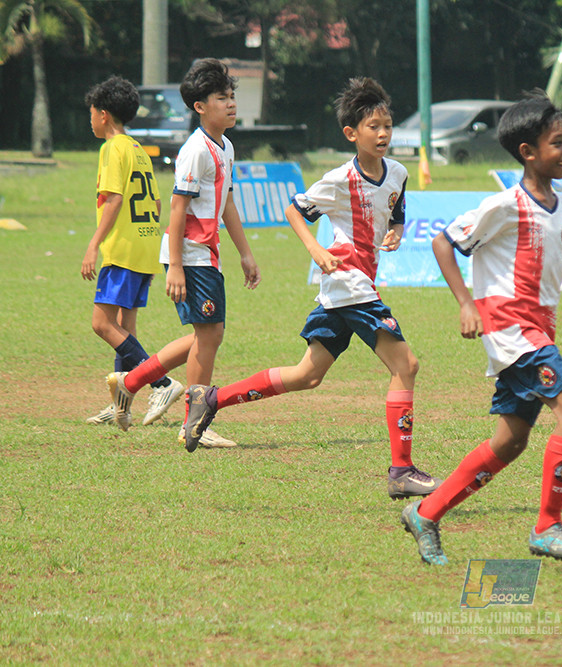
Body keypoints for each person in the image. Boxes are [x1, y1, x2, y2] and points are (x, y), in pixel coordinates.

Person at [400, 91, 562, 566]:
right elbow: (444, 243)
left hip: (539, 329)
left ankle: (426, 512)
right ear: (528, 152)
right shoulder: (505, 204)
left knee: (510, 441)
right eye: (558, 143)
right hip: (510, 329)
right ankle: (548, 527)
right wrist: (466, 304)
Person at [181, 77, 442, 498]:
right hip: (347, 280)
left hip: (351, 287)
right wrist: (316, 251)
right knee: (405, 365)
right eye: (373, 126)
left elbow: (398, 210)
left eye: (388, 126)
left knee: (307, 375)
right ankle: (402, 471)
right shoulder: (339, 179)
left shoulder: (398, 173)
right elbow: (294, 209)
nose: (383, 134)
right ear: (351, 134)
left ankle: (211, 398)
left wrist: (395, 231)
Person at [105, 58, 261, 447]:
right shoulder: (196, 150)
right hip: (189, 254)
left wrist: (245, 252)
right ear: (199, 107)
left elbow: (226, 203)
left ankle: (131, 381)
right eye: (221, 97)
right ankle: (194, 424)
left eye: (231, 96)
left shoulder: (225, 147)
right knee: (210, 335)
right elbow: (177, 207)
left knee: (207, 335)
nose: (231, 104)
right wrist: (174, 265)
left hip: (206, 254)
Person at [81, 76, 185, 427]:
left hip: (123, 248)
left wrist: (93, 245)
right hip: (145, 247)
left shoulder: (112, 149)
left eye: (92, 113)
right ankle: (120, 404)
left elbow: (114, 199)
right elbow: (155, 202)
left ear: (104, 115)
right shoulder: (138, 149)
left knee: (101, 323)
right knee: (126, 327)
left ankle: (162, 381)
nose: (91, 119)